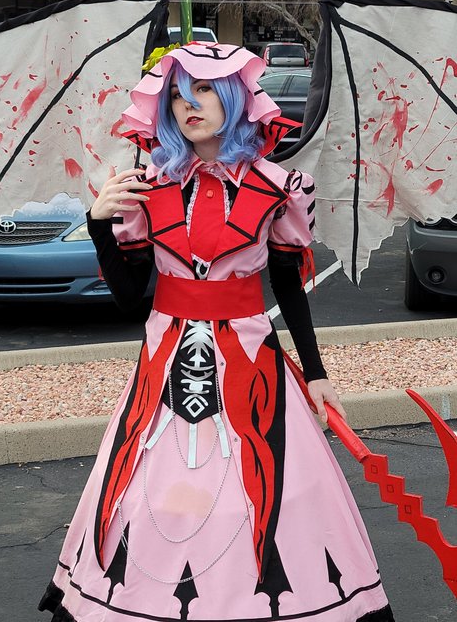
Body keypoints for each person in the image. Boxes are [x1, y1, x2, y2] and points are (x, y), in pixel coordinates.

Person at [39, 43, 394, 621]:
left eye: (204, 90)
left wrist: (317, 373)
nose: (189, 105)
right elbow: (129, 298)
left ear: (236, 98)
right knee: (147, 494)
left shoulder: (280, 186)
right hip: (163, 365)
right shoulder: (146, 187)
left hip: (252, 360)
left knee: (267, 489)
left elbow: (287, 284)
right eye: (178, 95)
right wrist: (99, 225)